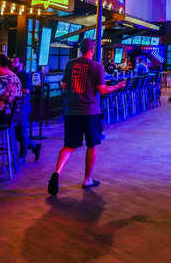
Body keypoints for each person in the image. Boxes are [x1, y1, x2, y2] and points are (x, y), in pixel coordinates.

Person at [48, 38, 124, 195]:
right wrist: (117, 86)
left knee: (69, 145)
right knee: (91, 145)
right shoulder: (97, 66)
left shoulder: (70, 64)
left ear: (81, 49)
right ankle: (87, 179)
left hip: (72, 111)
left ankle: (57, 173)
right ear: (92, 50)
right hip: (90, 112)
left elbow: (63, 85)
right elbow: (102, 90)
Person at [12, 56, 41, 162]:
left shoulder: (25, 75)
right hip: (14, 106)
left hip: (23, 106)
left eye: (15, 62)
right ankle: (34, 146)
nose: (13, 64)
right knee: (17, 133)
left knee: (22, 130)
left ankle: (22, 156)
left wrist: (14, 89)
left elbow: (27, 90)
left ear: (21, 64)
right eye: (12, 62)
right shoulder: (13, 74)